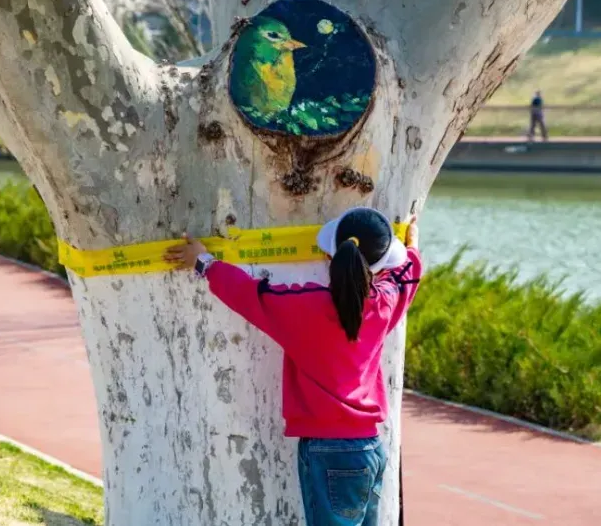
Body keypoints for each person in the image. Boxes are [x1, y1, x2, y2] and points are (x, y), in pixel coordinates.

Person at [166, 207, 422, 526]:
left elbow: (247, 293)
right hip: (370, 448)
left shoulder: (304, 305)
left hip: (327, 454)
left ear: (328, 256)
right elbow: (404, 277)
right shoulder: (383, 304)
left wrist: (203, 262)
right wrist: (412, 246)